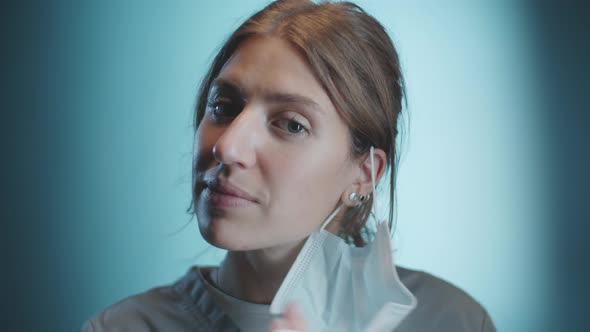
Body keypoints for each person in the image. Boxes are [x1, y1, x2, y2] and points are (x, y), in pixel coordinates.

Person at [83, 0, 496, 331]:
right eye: (223, 107)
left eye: (291, 125)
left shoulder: (451, 320)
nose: (227, 147)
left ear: (364, 174)